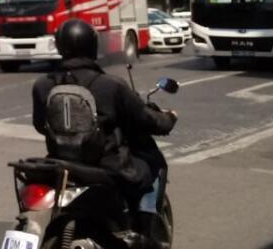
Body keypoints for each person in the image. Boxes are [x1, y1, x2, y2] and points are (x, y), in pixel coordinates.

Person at [32, 19, 177, 216]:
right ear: (93, 46)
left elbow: (40, 125)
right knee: (151, 166)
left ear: (60, 46)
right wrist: (169, 117)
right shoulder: (110, 85)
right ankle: (146, 222)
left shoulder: (42, 85)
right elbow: (147, 120)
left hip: (61, 161)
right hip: (107, 166)